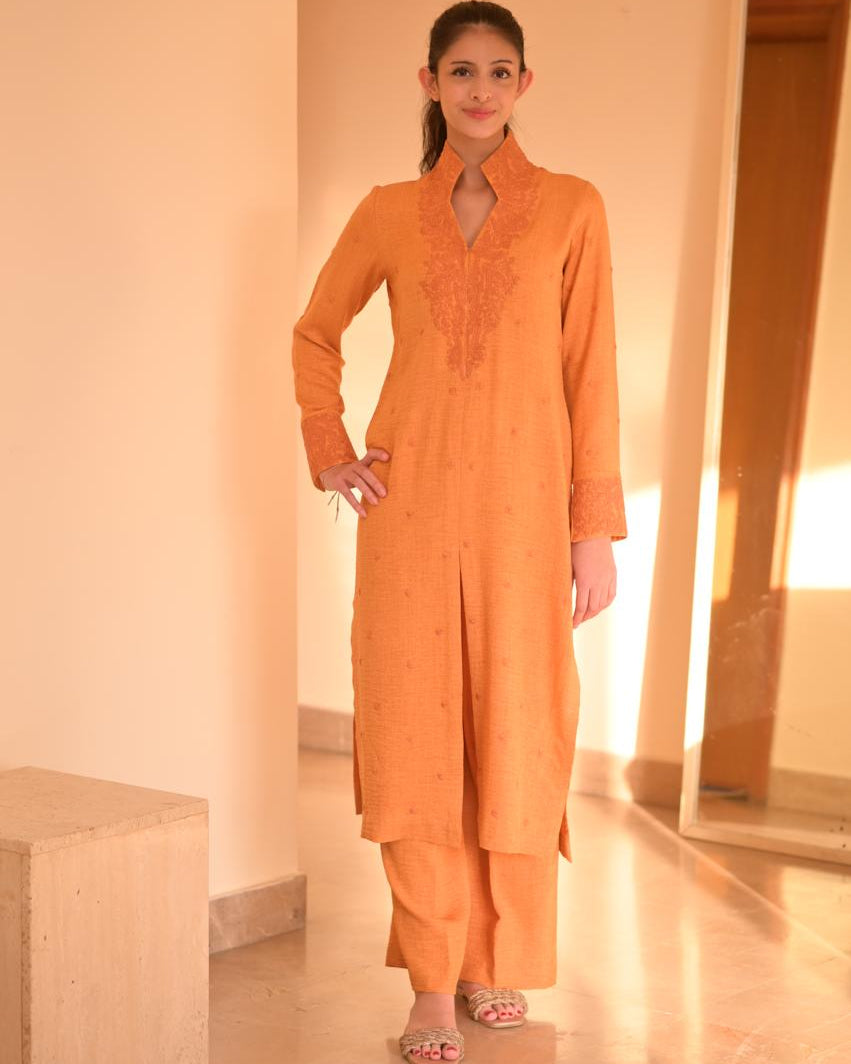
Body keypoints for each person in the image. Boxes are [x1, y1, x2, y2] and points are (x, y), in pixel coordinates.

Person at [291, 2, 628, 1060]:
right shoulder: (390, 210)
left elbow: (590, 372)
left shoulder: (573, 208)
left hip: (529, 518)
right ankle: (431, 981)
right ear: (429, 82)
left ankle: (496, 959)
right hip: (410, 512)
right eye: (460, 70)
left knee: (516, 731)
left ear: (523, 85)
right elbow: (315, 331)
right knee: (414, 733)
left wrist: (593, 528)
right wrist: (330, 445)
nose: (478, 88)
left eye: (498, 70)